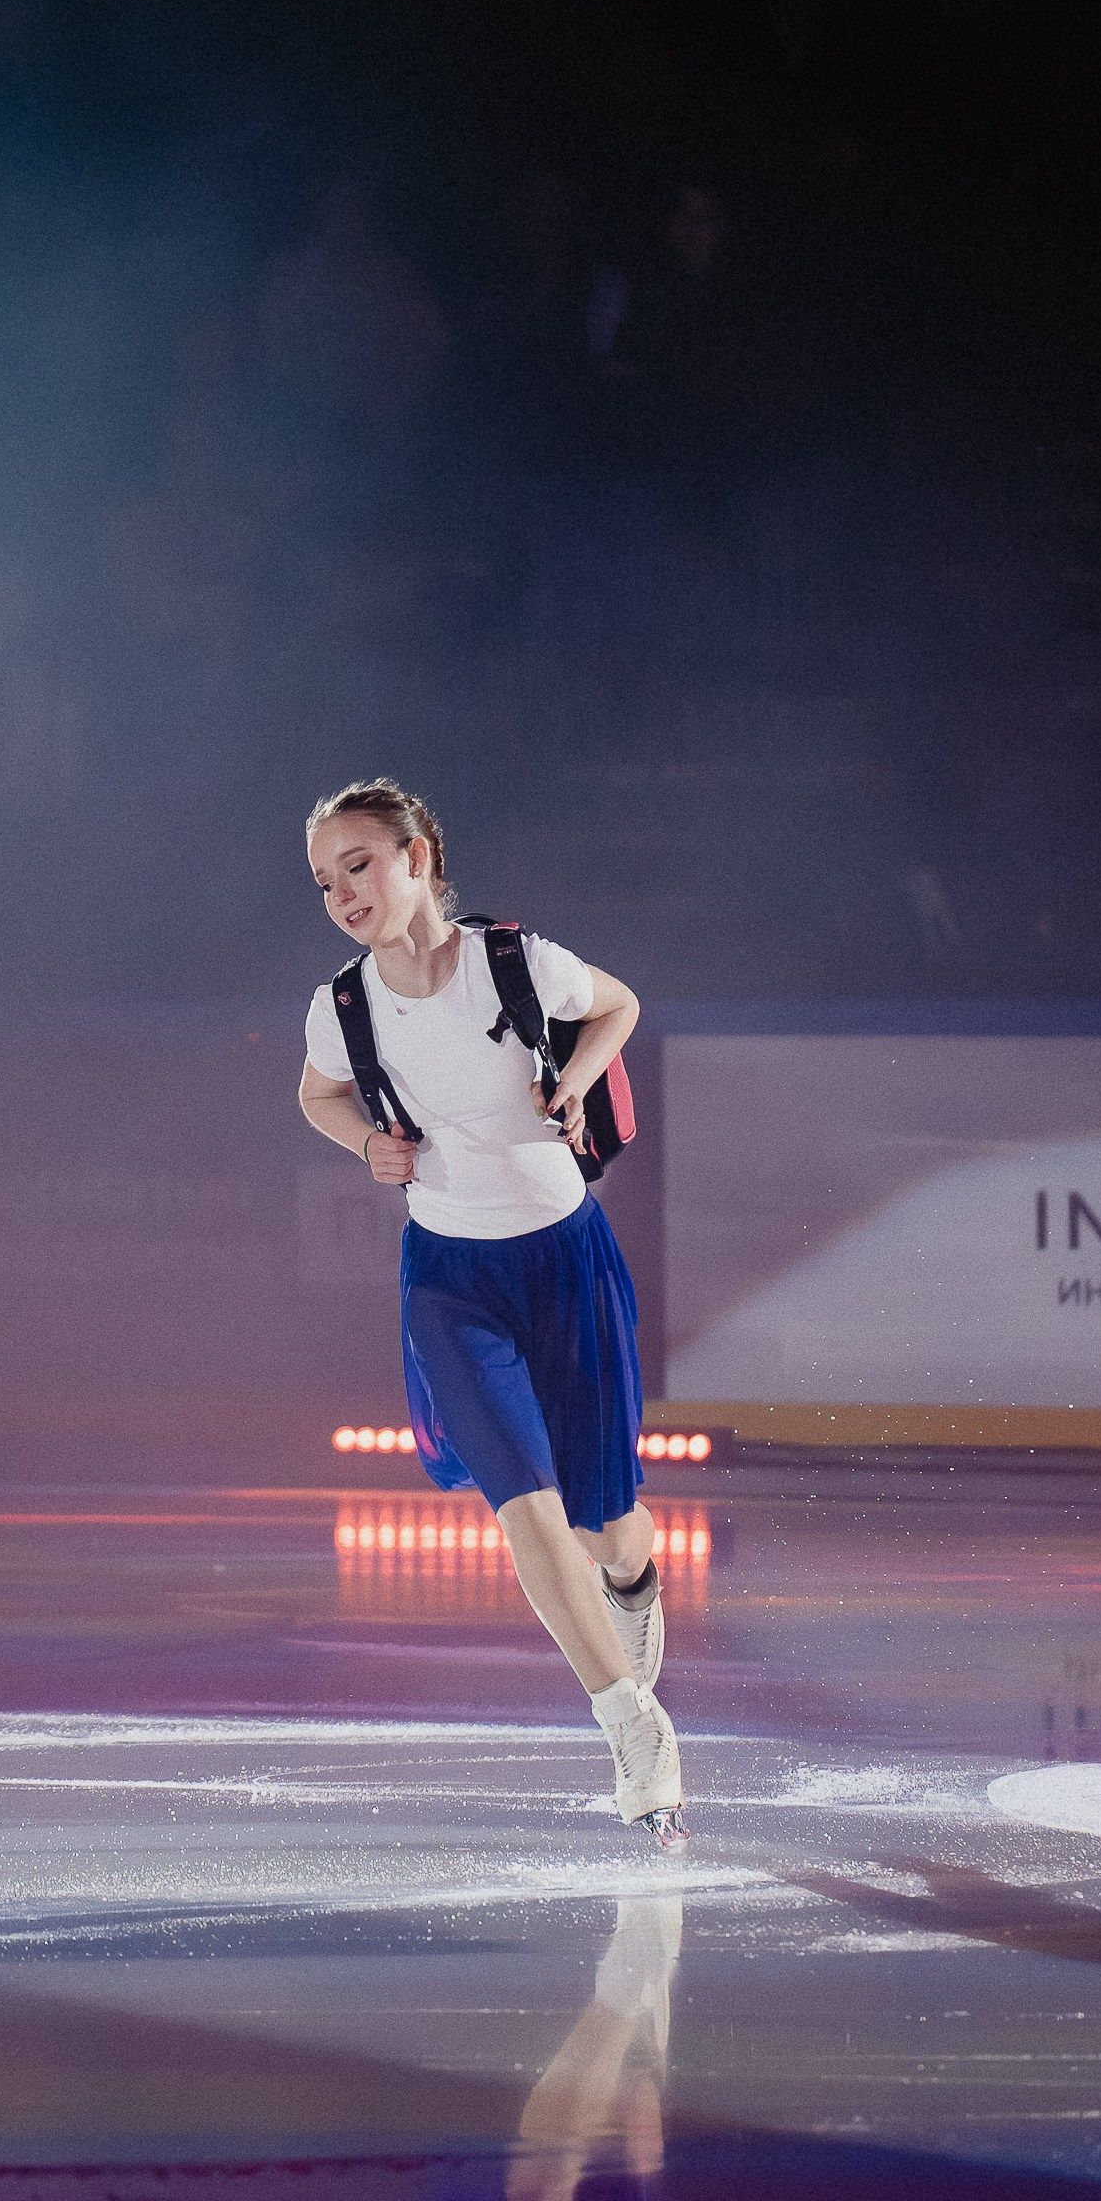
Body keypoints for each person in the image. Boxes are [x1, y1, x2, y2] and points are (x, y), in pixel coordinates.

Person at [299, 777, 685, 1840]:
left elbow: (619, 1006)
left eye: (359, 864)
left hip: (563, 1263)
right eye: (325, 880)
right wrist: (366, 1145)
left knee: (602, 1521)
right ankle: (630, 1729)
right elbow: (314, 1093)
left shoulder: (515, 964)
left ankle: (634, 1579)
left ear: (417, 854)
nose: (341, 893)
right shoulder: (342, 1007)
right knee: (523, 1508)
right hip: (448, 1282)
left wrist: (576, 1082)